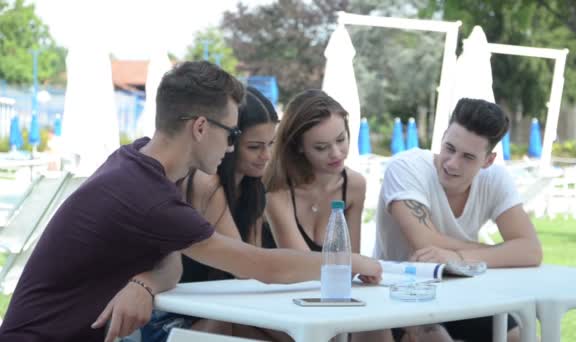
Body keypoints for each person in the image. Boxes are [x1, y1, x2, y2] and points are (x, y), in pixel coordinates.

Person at [0, 61, 381, 342]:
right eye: (231, 133)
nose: (231, 145)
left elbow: (172, 264)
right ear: (200, 127)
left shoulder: (133, 162)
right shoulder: (149, 196)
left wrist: (146, 283)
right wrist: (351, 262)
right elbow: (262, 266)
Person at [374, 98, 543, 342]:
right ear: (442, 138)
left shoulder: (495, 179)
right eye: (449, 148)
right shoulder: (406, 168)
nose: (452, 164)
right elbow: (425, 244)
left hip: (462, 293)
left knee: (523, 338)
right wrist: (501, 252)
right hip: (401, 293)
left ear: (488, 161)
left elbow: (530, 250)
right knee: (436, 339)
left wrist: (459, 259)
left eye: (468, 157)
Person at [140, 86, 287, 342]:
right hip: (172, 316)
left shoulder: (254, 189)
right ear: (228, 141)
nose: (266, 156)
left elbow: (254, 276)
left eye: (270, 144)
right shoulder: (205, 183)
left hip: (221, 311)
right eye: (254, 147)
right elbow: (250, 267)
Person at [264, 89, 366, 254]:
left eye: (341, 139)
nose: (336, 153)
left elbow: (351, 263)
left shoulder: (354, 185)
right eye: (321, 147)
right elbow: (302, 265)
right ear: (298, 147)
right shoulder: (279, 189)